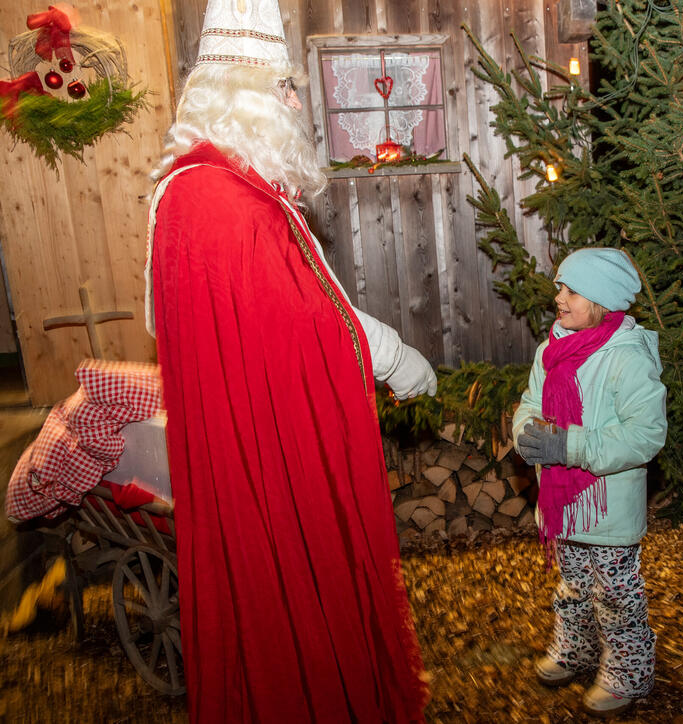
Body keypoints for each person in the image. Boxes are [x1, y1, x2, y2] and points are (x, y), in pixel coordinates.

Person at [143, 0, 435, 721]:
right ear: (246, 100)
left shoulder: (194, 190)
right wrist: (392, 355)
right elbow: (302, 322)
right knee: (295, 591)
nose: (297, 102)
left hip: (240, 438)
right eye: (284, 88)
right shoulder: (225, 203)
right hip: (267, 454)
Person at [512, 248, 667, 718]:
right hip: (562, 502)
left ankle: (630, 672)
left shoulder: (627, 358)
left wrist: (569, 446)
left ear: (599, 300)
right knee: (573, 584)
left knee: (616, 595)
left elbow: (646, 434)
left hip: (607, 507)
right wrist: (526, 436)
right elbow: (529, 402)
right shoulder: (551, 350)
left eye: (569, 290)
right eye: (560, 287)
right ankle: (575, 649)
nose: (557, 297)